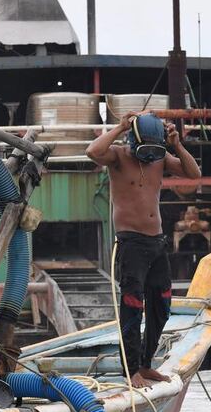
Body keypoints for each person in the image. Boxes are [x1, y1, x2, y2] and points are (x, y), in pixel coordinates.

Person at [86, 112, 201, 388]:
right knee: (132, 307)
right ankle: (131, 370)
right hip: (131, 244)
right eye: (144, 150)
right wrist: (120, 127)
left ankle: (147, 364)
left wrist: (176, 144)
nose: (148, 156)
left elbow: (194, 175)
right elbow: (92, 151)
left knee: (161, 305)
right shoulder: (118, 157)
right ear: (132, 141)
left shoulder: (160, 158)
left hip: (157, 243)